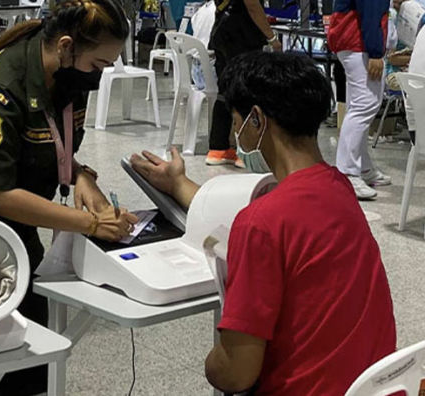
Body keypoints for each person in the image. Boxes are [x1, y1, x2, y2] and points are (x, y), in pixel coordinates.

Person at [130, 52, 395, 395]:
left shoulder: (262, 223)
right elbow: (271, 220)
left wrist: (211, 361)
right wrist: (178, 185)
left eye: (237, 120)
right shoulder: (338, 188)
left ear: (256, 120)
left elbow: (235, 374)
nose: (234, 131)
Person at [0, 0, 139, 395]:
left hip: (17, 232)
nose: (100, 75)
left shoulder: (70, 77)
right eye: (99, 63)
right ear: (67, 47)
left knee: (35, 357)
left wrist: (80, 175)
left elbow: (54, 144)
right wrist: (90, 223)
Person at [204, 0, 281, 166]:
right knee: (247, 93)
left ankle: (217, 149)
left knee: (225, 92)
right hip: (243, 39)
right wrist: (271, 36)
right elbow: (252, 3)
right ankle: (244, 152)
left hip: (221, 37)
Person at [328, 0, 392, 200]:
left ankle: (364, 168)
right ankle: (347, 173)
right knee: (365, 104)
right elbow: (369, 9)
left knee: (360, 104)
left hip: (353, 43)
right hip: (358, 44)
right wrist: (376, 52)